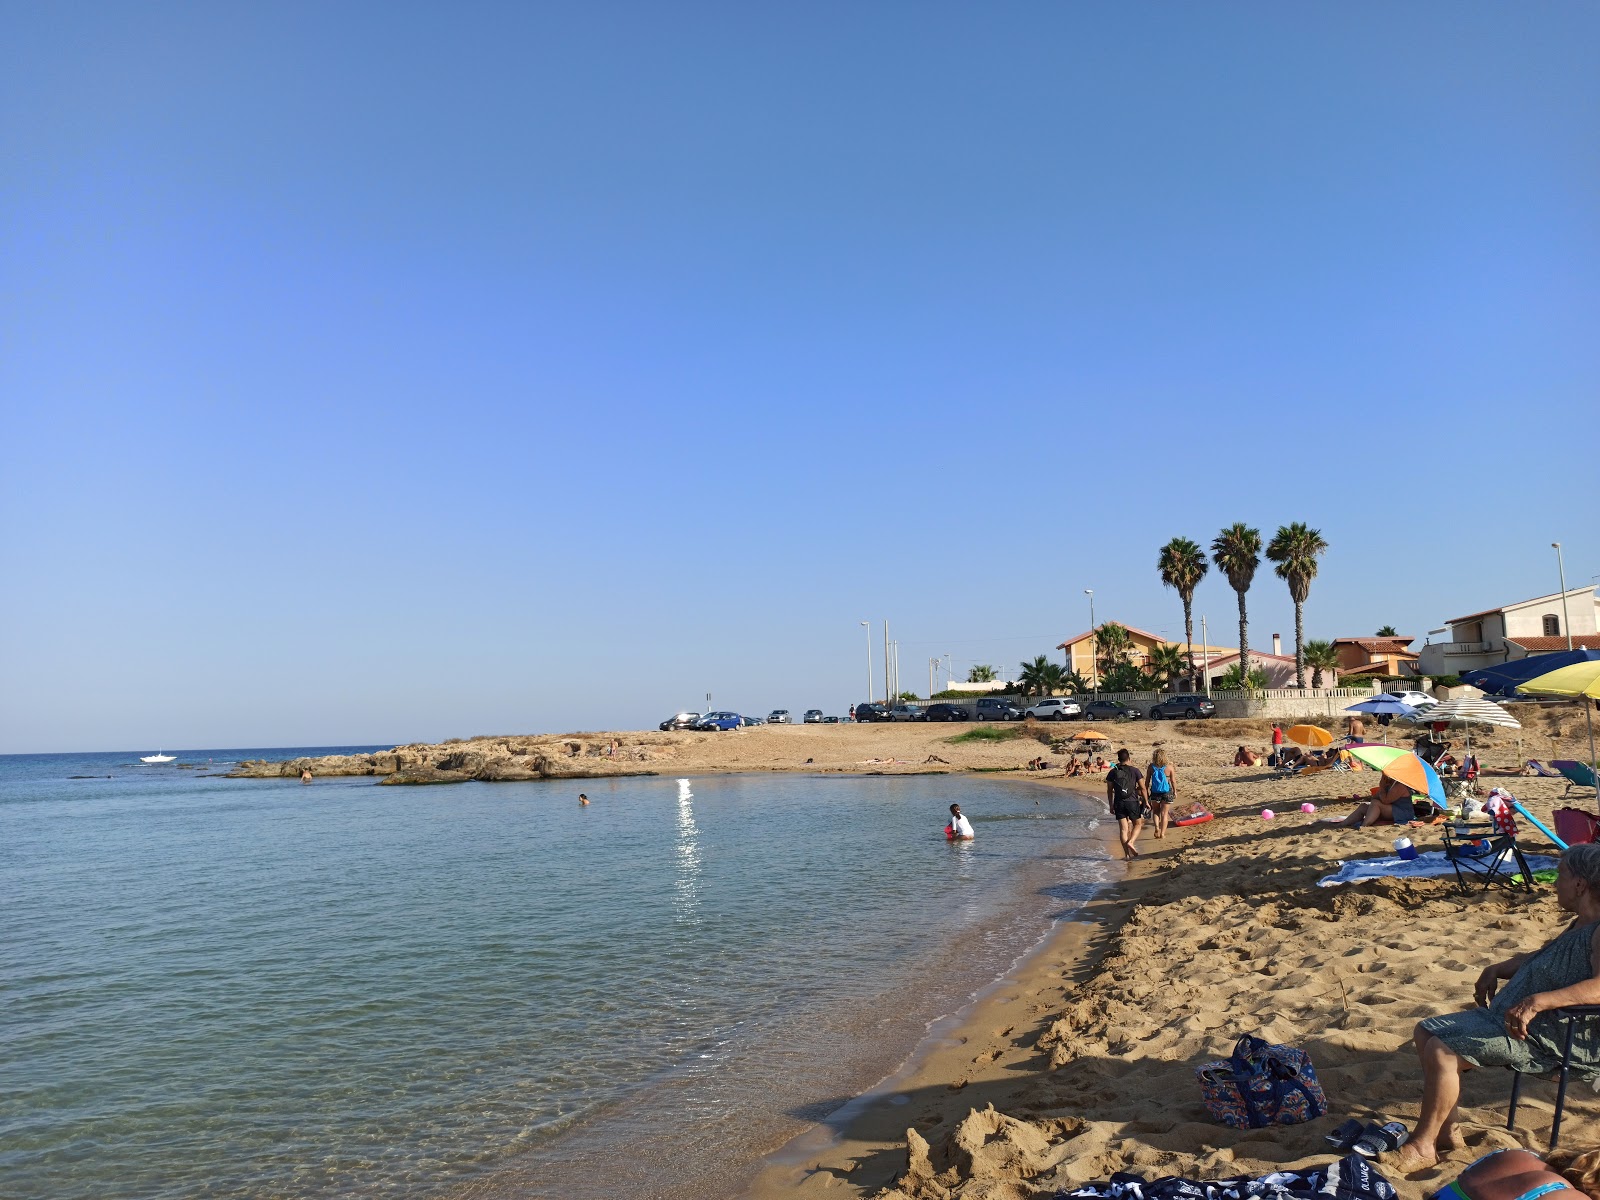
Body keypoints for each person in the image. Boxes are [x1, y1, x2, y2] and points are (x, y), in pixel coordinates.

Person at [1395, 844, 1600, 1173]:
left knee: (1443, 1051)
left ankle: (1423, 1144)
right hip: (1520, 1024)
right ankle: (1447, 1132)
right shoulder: (1579, 925)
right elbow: (1542, 961)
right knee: (1426, 1030)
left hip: (1555, 1039)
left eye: (1560, 876)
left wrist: (1538, 1001)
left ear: (1579, 884)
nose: (1554, 884)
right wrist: (1498, 968)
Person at [1106, 749, 1148, 860]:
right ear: (1129, 759)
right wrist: (1146, 802)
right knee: (1138, 824)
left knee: (1123, 830)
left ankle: (1127, 855)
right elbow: (1143, 788)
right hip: (1132, 802)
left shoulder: (1112, 772)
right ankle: (1131, 842)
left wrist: (1110, 805)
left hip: (1119, 802)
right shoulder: (1135, 771)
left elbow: (1109, 790)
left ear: (1118, 759)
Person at [1335, 775, 1416, 827]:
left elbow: (1385, 801)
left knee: (1375, 804)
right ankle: (1343, 824)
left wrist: (1382, 787)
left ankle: (1364, 825)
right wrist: (1382, 787)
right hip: (1391, 809)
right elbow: (1375, 798)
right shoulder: (1390, 784)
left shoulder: (1400, 785)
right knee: (1364, 806)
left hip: (1403, 813)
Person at [1145, 749, 1177, 838]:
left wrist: (1146, 791)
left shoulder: (1151, 767)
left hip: (1155, 792)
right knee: (1164, 814)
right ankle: (1162, 833)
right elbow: (1173, 781)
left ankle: (1156, 828)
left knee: (1155, 811)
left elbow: (1147, 781)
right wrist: (1175, 791)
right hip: (1166, 792)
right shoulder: (1169, 767)